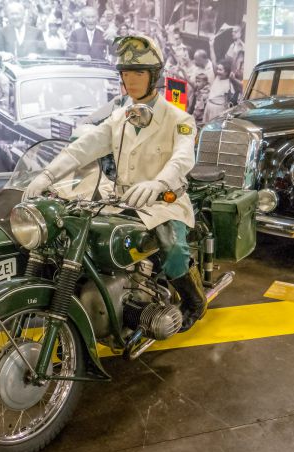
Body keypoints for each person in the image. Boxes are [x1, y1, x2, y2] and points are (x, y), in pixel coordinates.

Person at [25, 35, 207, 332]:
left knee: (171, 246)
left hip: (163, 202)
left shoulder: (179, 118)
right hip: (121, 200)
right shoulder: (119, 117)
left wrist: (158, 183)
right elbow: (82, 148)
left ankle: (194, 301)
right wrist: (48, 174)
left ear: (154, 76)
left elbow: (183, 159)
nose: (130, 80)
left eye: (138, 73)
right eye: (125, 73)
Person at [203, 58, 241, 122]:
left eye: (220, 70)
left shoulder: (228, 84)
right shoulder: (217, 78)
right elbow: (213, 62)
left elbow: (229, 101)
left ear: (226, 72)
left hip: (217, 110)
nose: (217, 71)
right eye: (217, 69)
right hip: (209, 106)